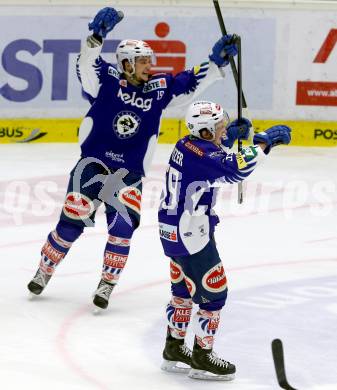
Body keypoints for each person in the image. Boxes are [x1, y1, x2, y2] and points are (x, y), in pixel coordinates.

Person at [27, 7, 239, 310]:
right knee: (70, 225)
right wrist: (96, 37)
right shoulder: (106, 80)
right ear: (125, 62)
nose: (148, 66)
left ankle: (106, 283)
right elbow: (86, 65)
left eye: (149, 61)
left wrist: (216, 62)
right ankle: (44, 269)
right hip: (92, 165)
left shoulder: (158, 88)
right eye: (142, 61)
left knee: (122, 229)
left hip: (128, 174)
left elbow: (189, 82)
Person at [158, 100, 291, 380]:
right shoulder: (202, 155)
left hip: (172, 230)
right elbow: (235, 170)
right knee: (214, 293)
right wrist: (264, 142)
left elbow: (214, 156)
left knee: (182, 291)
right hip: (191, 232)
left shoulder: (186, 144)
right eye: (219, 127)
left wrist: (230, 137)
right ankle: (202, 356)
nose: (224, 129)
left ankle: (173, 347)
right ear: (205, 131)